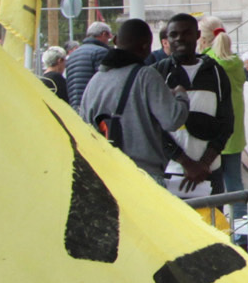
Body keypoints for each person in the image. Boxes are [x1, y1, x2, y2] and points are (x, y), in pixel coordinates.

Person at [77, 19, 186, 182]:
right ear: (146, 46)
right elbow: (172, 120)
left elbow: (84, 129)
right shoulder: (146, 77)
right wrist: (180, 95)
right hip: (143, 176)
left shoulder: (95, 81)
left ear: (115, 40)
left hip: (106, 175)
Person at [161, 14, 234, 192]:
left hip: (210, 171)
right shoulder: (158, 73)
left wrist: (204, 163)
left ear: (197, 35)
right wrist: (186, 163)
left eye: (186, 33)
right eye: (174, 34)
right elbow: (152, 125)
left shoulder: (216, 73)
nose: (179, 38)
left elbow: (227, 123)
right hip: (171, 172)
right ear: (167, 39)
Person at [201, 17, 248, 192]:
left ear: (203, 40)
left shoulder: (204, 63)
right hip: (234, 132)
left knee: (209, 186)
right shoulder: (236, 63)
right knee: (234, 183)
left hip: (209, 133)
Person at [63, 20, 117, 99]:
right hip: (92, 102)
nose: (108, 42)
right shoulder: (101, 52)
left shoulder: (72, 56)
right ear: (104, 34)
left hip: (75, 102)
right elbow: (106, 83)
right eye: (108, 38)